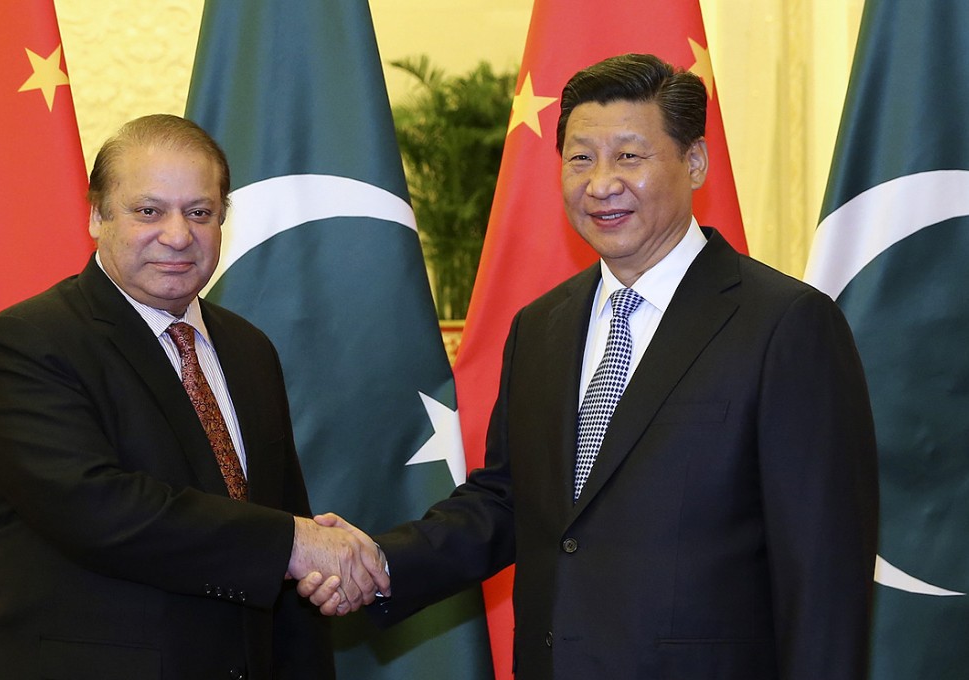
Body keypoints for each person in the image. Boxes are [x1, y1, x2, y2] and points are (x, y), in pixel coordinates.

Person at [301, 54, 879, 679]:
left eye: (629, 156)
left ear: (695, 162)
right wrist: (385, 563)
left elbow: (825, 571)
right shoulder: (542, 326)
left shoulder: (784, 324)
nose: (601, 183)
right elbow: (507, 501)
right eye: (580, 158)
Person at [0, 114, 388, 680]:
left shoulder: (248, 349)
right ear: (96, 216)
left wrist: (302, 552)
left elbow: (280, 526)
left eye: (200, 212)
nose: (178, 235)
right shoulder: (26, 343)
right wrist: (294, 544)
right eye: (148, 210)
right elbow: (98, 510)